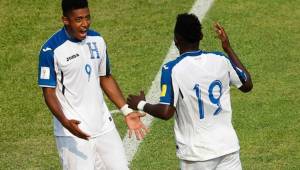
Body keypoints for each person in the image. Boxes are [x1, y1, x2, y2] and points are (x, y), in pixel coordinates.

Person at [127, 13, 253, 170]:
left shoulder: (172, 69)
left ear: (176, 39)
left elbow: (166, 112)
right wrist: (227, 48)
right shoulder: (221, 59)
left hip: (197, 155)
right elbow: (247, 85)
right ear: (201, 35)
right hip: (228, 148)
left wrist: (140, 104)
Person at [37, 0, 147, 169]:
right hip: (73, 133)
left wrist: (126, 110)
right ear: (65, 20)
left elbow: (105, 77)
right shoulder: (51, 50)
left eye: (88, 18)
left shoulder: (97, 40)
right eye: (79, 19)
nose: (85, 24)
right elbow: (48, 93)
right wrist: (65, 122)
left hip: (104, 126)